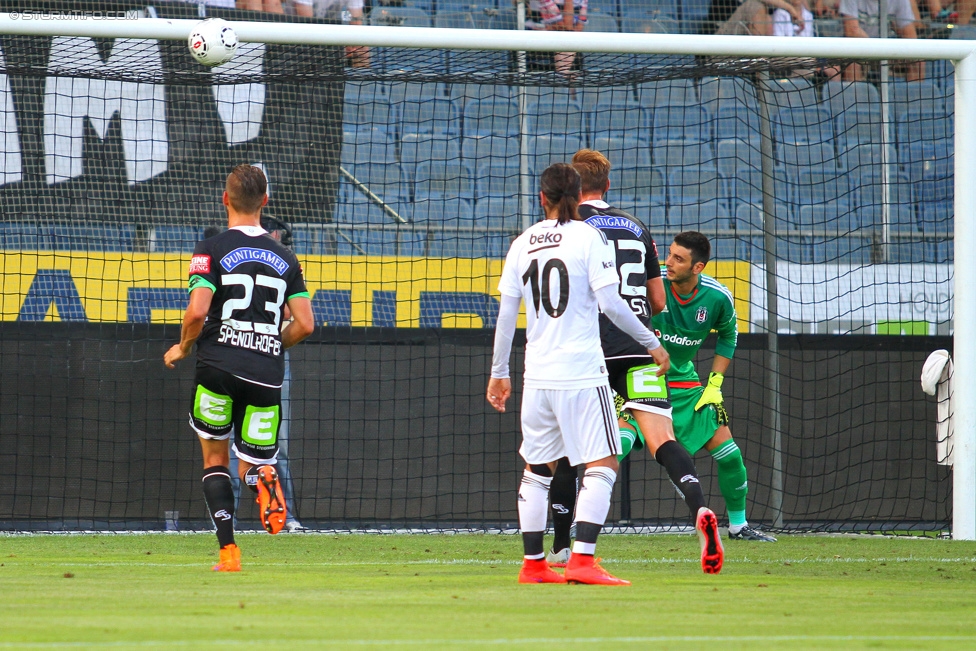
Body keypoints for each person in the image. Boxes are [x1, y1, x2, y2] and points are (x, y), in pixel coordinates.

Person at [489, 163, 709, 586]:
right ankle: (583, 560)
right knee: (603, 460)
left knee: (537, 467)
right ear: (581, 194)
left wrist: (499, 373)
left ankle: (535, 564)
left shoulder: (523, 242)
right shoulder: (589, 237)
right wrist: (651, 342)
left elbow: (504, 315)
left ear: (543, 198)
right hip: (584, 369)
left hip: (537, 372)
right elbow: (611, 302)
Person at [541, 149, 724, 576]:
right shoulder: (638, 228)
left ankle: (563, 548)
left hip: (591, 348)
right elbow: (658, 300)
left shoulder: (569, 226)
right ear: (607, 185)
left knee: (569, 450)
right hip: (640, 347)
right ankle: (699, 508)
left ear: (572, 185)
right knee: (662, 439)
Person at [164, 164, 314, 571]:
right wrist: (269, 343)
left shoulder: (209, 248)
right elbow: (305, 323)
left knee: (215, 461)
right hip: (265, 374)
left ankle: (229, 554)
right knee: (252, 464)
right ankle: (264, 482)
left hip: (217, 366)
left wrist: (183, 347)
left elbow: (196, 312)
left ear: (225, 199)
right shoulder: (287, 257)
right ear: (265, 202)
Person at [653, 231, 776, 542]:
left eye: (678, 259)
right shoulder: (651, 285)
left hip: (688, 385)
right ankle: (576, 521)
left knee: (731, 455)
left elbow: (728, 336)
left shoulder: (717, 297)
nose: (669, 262)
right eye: (669, 254)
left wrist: (715, 384)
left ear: (698, 268)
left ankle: (738, 526)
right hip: (643, 382)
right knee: (615, 449)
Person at [839, 0, 924, 81]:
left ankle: (912, 95)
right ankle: (855, 95)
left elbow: (910, 36)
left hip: (888, 50)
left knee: (918, 59)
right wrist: (876, 48)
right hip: (860, 49)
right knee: (853, 61)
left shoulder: (901, 1)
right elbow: (852, 31)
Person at [524, 0, 585, 77]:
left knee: (570, 38)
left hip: (562, 40)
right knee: (567, 36)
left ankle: (564, 76)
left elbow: (579, 27)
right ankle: (563, 74)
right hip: (535, 42)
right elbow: (564, 26)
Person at [708, 0, 807, 35]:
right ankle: (759, 66)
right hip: (719, 40)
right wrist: (790, 8)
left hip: (747, 46)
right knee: (754, 5)